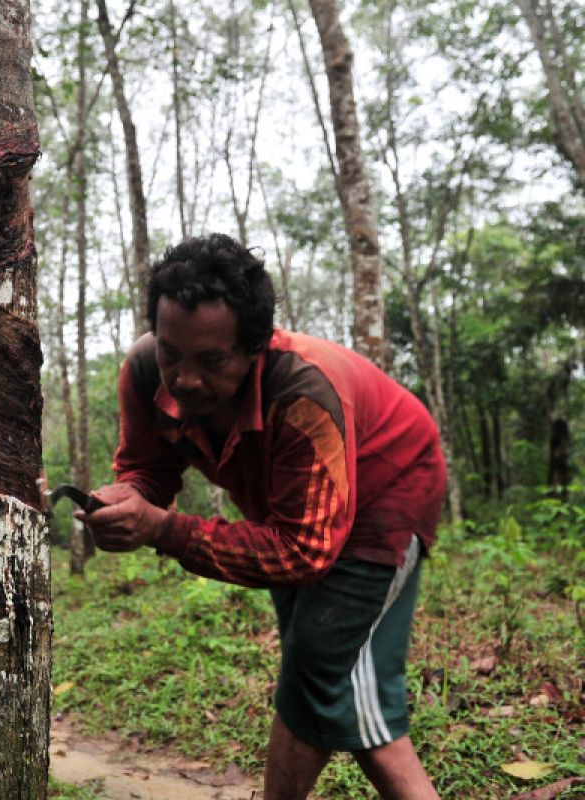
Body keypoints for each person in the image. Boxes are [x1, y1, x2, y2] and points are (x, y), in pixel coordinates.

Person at [77, 233, 446, 800]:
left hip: (385, 491)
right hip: (293, 512)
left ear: (255, 347)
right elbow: (149, 468)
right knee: (329, 676)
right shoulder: (146, 372)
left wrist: (165, 529)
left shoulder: (303, 395)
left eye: (212, 361)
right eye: (172, 352)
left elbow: (304, 552)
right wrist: (129, 499)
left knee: (317, 675)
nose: (185, 380)